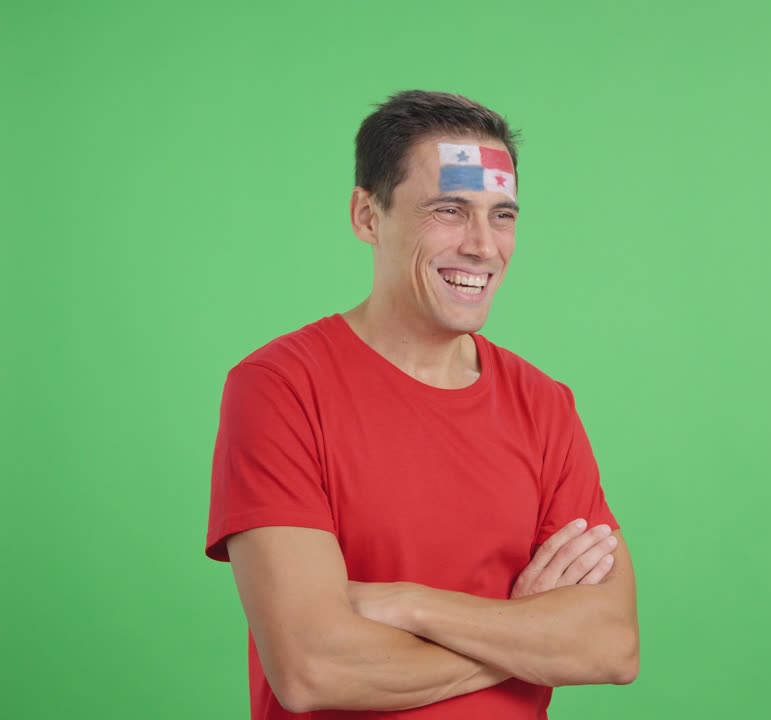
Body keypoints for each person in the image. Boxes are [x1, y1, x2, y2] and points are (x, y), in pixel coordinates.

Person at [204, 90, 638, 719]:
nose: (483, 245)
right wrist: (527, 633)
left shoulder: (545, 406)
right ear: (367, 216)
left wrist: (411, 605)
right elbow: (313, 669)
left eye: (503, 215)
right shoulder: (279, 387)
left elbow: (612, 646)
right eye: (449, 209)